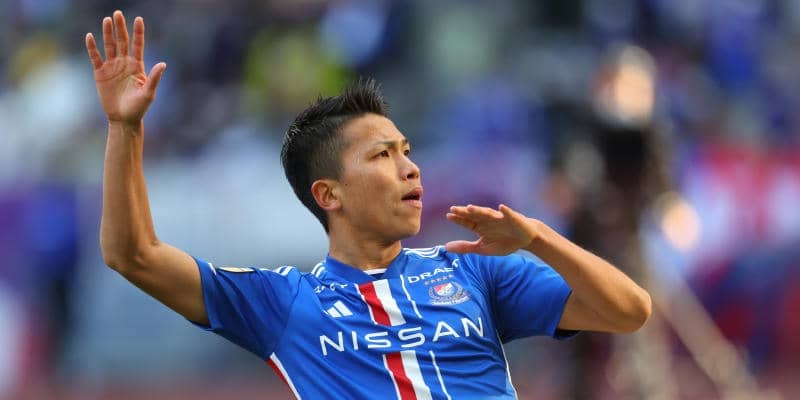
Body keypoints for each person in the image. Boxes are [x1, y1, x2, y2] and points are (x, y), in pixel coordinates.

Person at [86, 11, 652, 399]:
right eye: (382, 155)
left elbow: (629, 311)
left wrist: (538, 240)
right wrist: (124, 128)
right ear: (328, 194)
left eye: (407, 151)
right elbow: (133, 254)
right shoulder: (283, 302)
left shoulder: (474, 271)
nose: (410, 167)